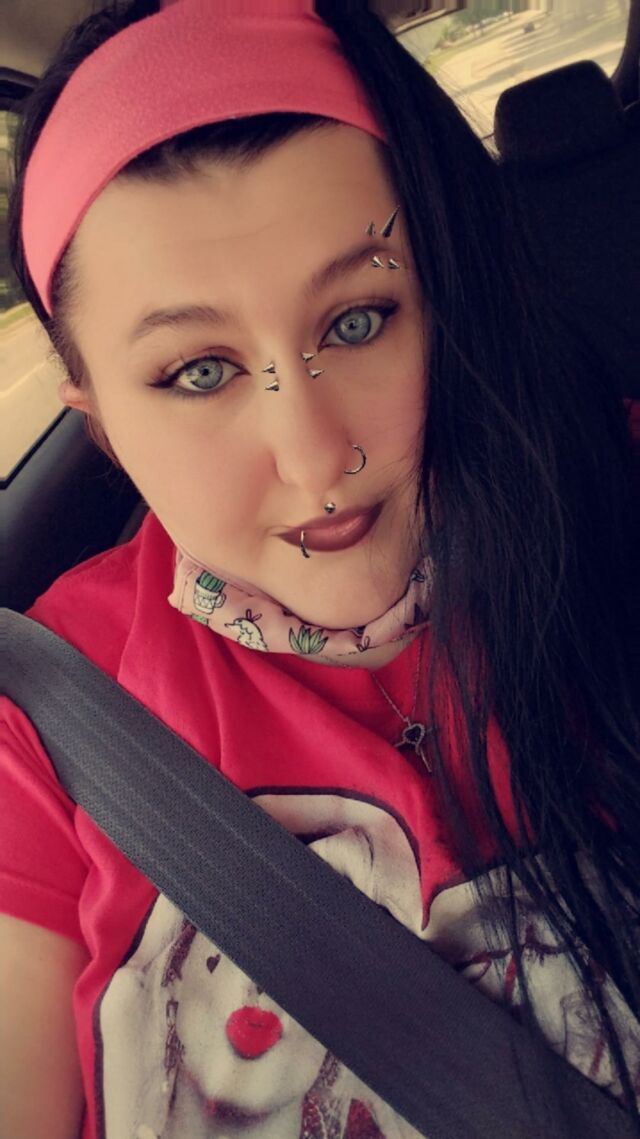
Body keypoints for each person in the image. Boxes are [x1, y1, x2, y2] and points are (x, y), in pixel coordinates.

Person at [1, 2, 639, 1137]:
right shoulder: (44, 725)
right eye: (198, 372)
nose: (315, 460)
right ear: (97, 421)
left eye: (358, 319)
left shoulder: (617, 496)